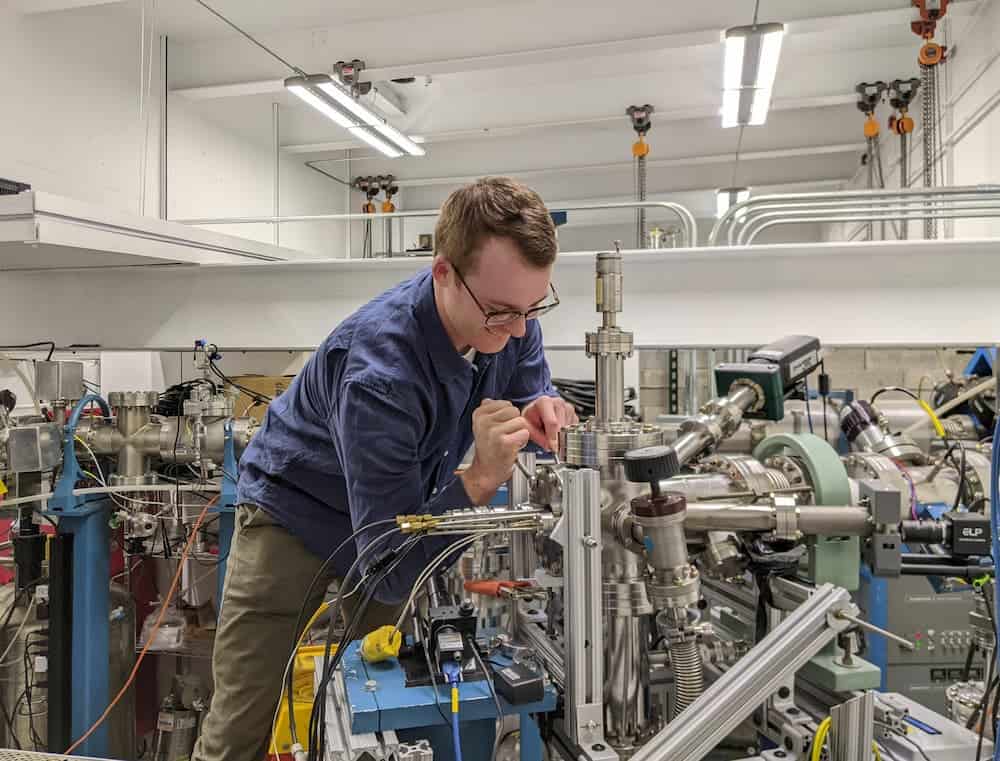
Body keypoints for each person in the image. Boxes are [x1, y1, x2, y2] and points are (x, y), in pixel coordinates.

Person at [193, 176, 578, 761]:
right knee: (243, 721)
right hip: (294, 517)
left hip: (395, 513)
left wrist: (541, 406)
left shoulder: (512, 320)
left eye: (533, 308)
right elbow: (388, 568)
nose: (520, 328)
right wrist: (478, 481)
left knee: (387, 699)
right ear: (443, 272)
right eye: (503, 312)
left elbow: (527, 381)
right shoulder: (381, 371)